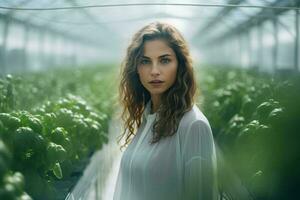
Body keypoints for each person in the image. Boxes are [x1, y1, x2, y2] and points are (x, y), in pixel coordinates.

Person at [113, 21, 219, 200]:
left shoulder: (193, 126)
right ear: (136, 69)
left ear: (180, 65)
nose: (154, 71)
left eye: (164, 60)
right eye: (145, 61)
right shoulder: (149, 117)